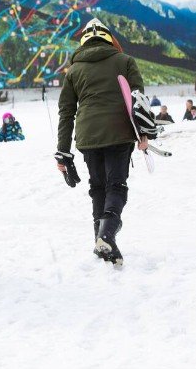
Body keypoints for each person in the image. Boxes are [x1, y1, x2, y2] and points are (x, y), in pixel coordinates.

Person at [56, 18, 148, 266]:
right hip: (119, 133)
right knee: (116, 186)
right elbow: (138, 102)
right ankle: (106, 235)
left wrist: (62, 152)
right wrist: (144, 135)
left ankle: (102, 241)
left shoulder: (73, 70)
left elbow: (66, 112)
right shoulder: (125, 61)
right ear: (109, 38)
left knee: (98, 188)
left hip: (87, 136)